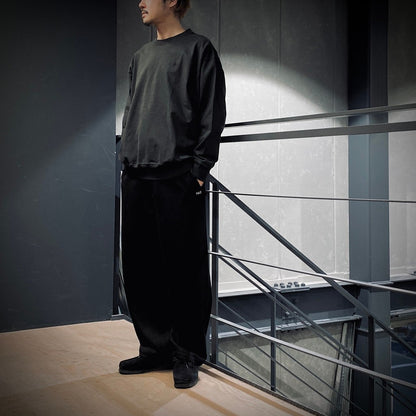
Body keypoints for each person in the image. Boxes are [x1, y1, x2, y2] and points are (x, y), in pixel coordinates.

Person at [118, 0, 226, 389]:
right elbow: (133, 110)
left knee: (184, 269)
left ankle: (186, 353)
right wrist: (126, 160)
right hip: (137, 175)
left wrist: (199, 170)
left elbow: (212, 111)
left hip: (178, 176)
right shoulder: (141, 56)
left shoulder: (199, 49)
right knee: (140, 268)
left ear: (173, 1)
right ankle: (155, 349)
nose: (140, 2)